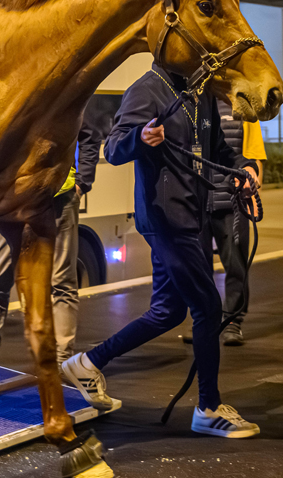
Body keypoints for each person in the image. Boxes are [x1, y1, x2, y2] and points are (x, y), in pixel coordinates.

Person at [61, 64, 262, 438]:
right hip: (165, 217)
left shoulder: (199, 91)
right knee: (207, 307)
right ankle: (208, 407)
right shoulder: (146, 90)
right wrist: (140, 136)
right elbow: (115, 147)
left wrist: (242, 167)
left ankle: (87, 363)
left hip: (192, 214)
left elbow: (217, 147)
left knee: (168, 311)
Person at [0, 108, 103, 365]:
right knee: (1, 282)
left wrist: (82, 182)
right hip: (13, 203)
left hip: (54, 201)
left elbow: (90, 134)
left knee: (60, 283)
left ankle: (60, 360)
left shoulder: (60, 94)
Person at [208, 102, 265, 346]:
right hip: (198, 200)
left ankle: (233, 321)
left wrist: (251, 190)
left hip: (233, 201)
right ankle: (206, 320)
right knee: (199, 266)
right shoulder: (195, 101)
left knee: (236, 263)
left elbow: (255, 158)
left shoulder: (244, 109)